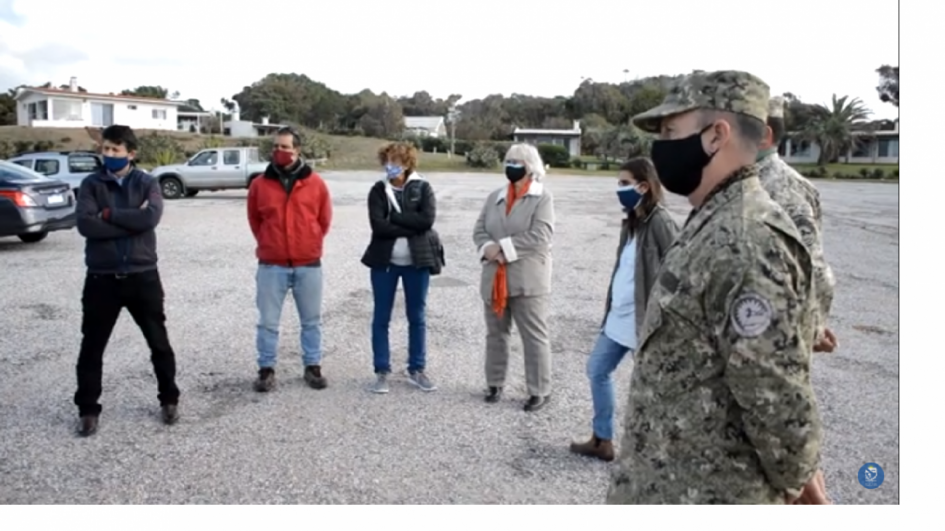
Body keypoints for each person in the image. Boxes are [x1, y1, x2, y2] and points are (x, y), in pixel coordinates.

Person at [604, 70, 829, 504]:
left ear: (715, 136)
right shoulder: (714, 218)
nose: (660, 147)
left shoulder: (747, 240)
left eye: (670, 131)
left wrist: (801, 484)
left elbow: (777, 401)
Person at [569, 157, 679, 461]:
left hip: (643, 321)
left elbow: (679, 270)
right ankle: (602, 440)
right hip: (618, 317)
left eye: (624, 183)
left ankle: (658, 454)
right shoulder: (632, 219)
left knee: (651, 388)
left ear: (644, 186)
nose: (619, 189)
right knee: (597, 369)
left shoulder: (660, 221)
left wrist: (663, 313)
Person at [73, 124, 179, 437]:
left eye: (115, 150)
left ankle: (169, 398)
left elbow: (150, 219)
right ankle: (88, 409)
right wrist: (130, 220)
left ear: (130, 154)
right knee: (92, 347)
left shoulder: (147, 182)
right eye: (105, 149)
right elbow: (85, 226)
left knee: (158, 342)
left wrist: (107, 214)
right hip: (102, 278)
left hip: (142, 276)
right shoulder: (91, 184)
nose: (109, 155)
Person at [247, 127, 333, 392]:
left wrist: (310, 241)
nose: (280, 152)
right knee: (268, 322)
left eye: (285, 147)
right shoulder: (260, 184)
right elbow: (255, 220)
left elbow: (324, 219)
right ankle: (266, 369)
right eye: (276, 147)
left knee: (311, 320)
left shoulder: (315, 183)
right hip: (272, 265)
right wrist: (268, 242)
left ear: (297, 150)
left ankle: (312, 366)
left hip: (308, 264)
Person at [473, 143, 555, 412]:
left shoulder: (542, 198)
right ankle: (494, 383)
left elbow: (541, 236)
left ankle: (539, 390)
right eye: (508, 161)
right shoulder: (494, 196)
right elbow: (480, 230)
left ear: (530, 166)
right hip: (494, 276)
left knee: (534, 336)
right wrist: (488, 249)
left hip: (527, 280)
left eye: (517, 162)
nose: (511, 166)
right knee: (495, 334)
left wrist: (503, 249)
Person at [757, 96, 838, 354]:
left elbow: (813, 268)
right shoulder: (747, 180)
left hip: (774, 337)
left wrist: (813, 329)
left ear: (764, 135)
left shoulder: (784, 189)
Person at [361, 142, 442, 394]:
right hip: (384, 262)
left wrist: (394, 218)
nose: (391, 165)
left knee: (416, 317)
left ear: (407, 164)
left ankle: (416, 368)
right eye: (387, 160)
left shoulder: (423, 187)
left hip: (417, 262)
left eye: (396, 161)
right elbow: (378, 227)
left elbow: (427, 220)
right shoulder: (378, 190)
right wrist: (411, 224)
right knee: (381, 317)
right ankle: (381, 371)